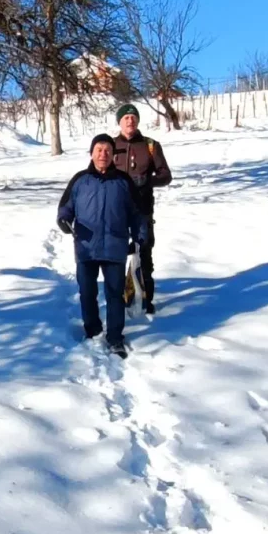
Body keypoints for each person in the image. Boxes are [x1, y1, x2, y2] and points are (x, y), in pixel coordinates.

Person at [57, 134, 147, 358]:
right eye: (99, 150)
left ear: (113, 155)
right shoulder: (79, 180)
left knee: (115, 294)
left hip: (115, 248)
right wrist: (64, 221)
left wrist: (139, 237)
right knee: (87, 292)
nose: (103, 155)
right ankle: (93, 329)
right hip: (86, 248)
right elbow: (65, 208)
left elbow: (137, 214)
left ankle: (115, 337)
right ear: (91, 153)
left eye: (107, 150)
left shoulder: (124, 182)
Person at [111, 103, 173, 313]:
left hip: (143, 212)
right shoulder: (110, 145)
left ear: (138, 121)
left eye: (133, 117)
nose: (130, 120)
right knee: (116, 256)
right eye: (126, 118)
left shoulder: (150, 146)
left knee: (144, 255)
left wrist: (147, 181)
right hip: (116, 212)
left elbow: (166, 176)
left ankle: (146, 300)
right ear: (119, 122)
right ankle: (118, 299)